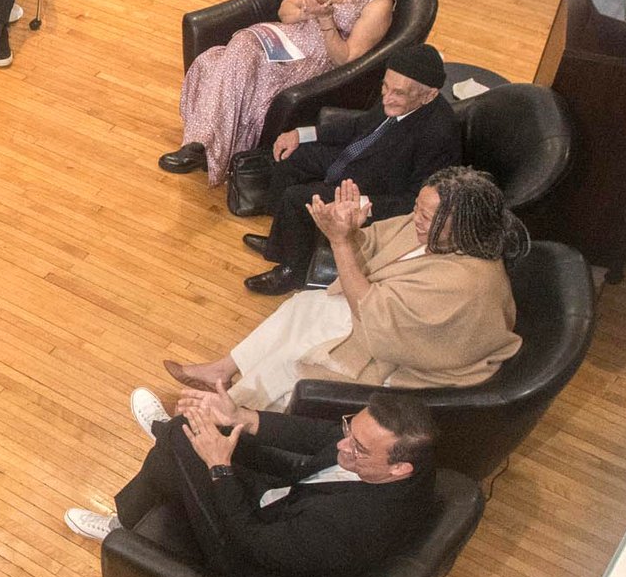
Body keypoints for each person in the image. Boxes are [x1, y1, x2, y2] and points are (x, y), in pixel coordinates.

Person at [168, 167, 525, 412]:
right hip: (386, 321)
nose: (415, 218)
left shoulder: (465, 283)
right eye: (417, 207)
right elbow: (372, 247)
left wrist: (340, 244)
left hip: (413, 364)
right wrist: (350, 229)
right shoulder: (433, 234)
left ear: (461, 223)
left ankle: (224, 410)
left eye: (426, 216)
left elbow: (380, 330)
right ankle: (223, 369)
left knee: (297, 362)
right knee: (304, 307)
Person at [64, 388, 442, 577]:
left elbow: (249, 542)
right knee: (185, 434)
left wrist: (220, 468)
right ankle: (159, 458)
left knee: (181, 442)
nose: (343, 446)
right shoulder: (382, 458)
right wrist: (242, 416)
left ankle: (123, 524)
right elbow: (316, 436)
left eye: (358, 448)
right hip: (288, 505)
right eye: (349, 430)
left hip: (248, 558)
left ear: (399, 468)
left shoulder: (348, 527)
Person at [165, 0, 403, 184]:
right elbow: (285, 10)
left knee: (222, 65)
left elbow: (345, 58)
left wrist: (326, 21)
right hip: (285, 37)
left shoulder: (379, 4)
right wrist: (307, 12)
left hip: (315, 56)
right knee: (233, 48)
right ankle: (207, 145)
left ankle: (201, 144)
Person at [242, 46, 460, 296]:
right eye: (385, 87)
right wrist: (301, 134)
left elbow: (413, 199)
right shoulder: (396, 95)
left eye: (397, 93)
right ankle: (281, 239)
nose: (387, 97)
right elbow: (359, 125)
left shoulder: (438, 135)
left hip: (372, 189)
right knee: (291, 158)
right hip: (357, 159)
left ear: (429, 95)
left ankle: (292, 271)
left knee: (296, 199)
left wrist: (359, 203)